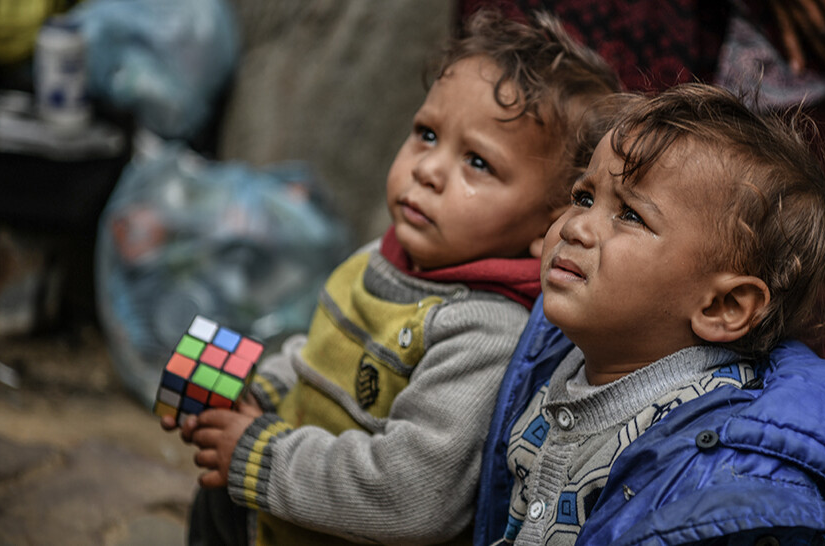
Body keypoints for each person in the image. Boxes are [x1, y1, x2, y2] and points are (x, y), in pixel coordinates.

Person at [161, 8, 621, 545]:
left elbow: (411, 495)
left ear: (549, 225)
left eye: (478, 163)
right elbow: (320, 361)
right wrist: (258, 394)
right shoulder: (386, 257)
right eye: (427, 134)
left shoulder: (483, 333)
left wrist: (259, 453)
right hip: (271, 509)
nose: (428, 168)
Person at [473, 84, 825, 545]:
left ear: (723, 306)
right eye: (585, 196)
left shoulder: (714, 467)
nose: (575, 225)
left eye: (631, 215)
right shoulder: (552, 362)